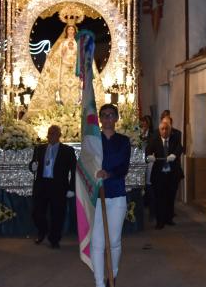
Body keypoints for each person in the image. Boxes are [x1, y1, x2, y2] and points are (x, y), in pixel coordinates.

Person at [91, 104, 131, 287]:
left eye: (111, 115)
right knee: (97, 241)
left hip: (116, 194)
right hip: (96, 197)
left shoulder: (123, 141)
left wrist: (109, 173)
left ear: (116, 118)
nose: (107, 119)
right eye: (104, 115)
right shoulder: (93, 140)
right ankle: (99, 282)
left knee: (113, 241)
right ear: (100, 119)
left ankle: (112, 276)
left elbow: (124, 167)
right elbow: (86, 164)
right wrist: (94, 174)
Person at [30, 125, 76, 249]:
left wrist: (72, 188)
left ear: (59, 135)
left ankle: (54, 239)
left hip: (58, 187)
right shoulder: (40, 149)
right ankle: (42, 231)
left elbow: (74, 170)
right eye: (49, 133)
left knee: (57, 214)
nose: (51, 136)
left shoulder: (67, 151)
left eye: (54, 134)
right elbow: (33, 164)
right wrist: (32, 166)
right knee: (37, 212)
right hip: (42, 185)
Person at [146, 120, 184, 229]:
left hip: (172, 174)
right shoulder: (154, 139)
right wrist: (149, 156)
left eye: (166, 129)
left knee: (170, 197)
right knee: (159, 198)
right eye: (162, 129)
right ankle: (160, 221)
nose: (164, 131)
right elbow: (148, 150)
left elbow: (180, 148)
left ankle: (169, 218)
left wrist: (174, 155)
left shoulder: (175, 139)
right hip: (159, 174)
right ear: (159, 130)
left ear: (170, 130)